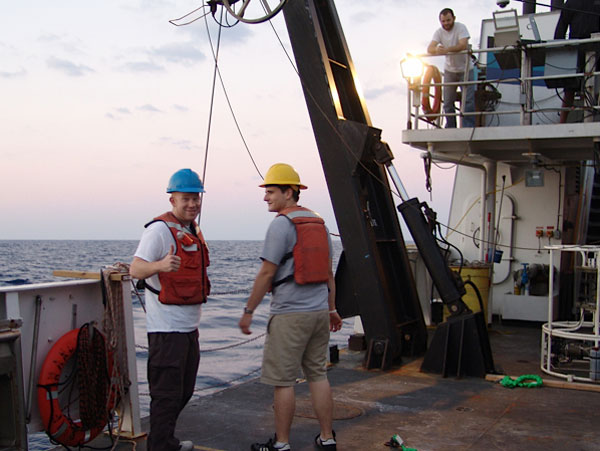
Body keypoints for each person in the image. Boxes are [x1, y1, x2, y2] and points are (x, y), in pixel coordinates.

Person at [239, 163, 343, 451]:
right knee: (318, 375)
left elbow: (266, 274)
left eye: (271, 191)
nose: (265, 198)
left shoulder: (281, 225)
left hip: (289, 316)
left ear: (289, 192)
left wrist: (248, 311)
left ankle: (282, 445)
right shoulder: (319, 224)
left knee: (283, 381)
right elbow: (329, 274)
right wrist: (332, 309)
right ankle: (327, 439)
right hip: (320, 313)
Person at [130, 168, 210, 451]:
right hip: (166, 331)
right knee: (165, 396)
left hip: (189, 329)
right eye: (186, 199)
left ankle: (166, 440)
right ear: (172, 199)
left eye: (196, 199)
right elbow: (136, 268)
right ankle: (160, 446)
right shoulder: (159, 231)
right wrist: (160, 266)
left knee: (184, 391)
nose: (192, 204)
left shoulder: (192, 230)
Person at [427, 8, 475, 128]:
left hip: (466, 69)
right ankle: (451, 126)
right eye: (443, 21)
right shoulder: (439, 32)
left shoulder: (461, 27)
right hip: (450, 70)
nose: (446, 23)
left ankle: (467, 126)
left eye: (448, 20)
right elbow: (429, 48)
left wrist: (447, 50)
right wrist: (437, 49)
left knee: (468, 101)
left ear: (454, 18)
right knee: (448, 101)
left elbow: (463, 45)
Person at [553, 0, 600, 123]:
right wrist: (560, 46)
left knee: (592, 85)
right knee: (570, 88)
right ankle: (562, 121)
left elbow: (561, 27)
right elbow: (561, 26)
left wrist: (559, 43)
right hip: (576, 49)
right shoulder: (572, 2)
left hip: (595, 48)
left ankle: (566, 120)